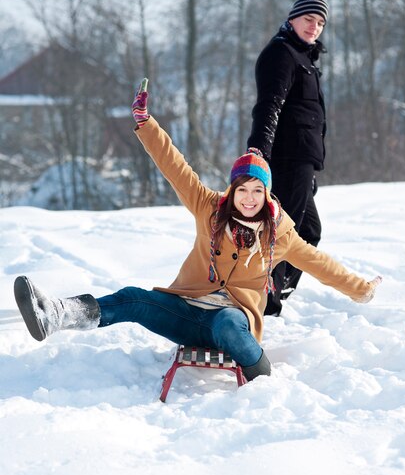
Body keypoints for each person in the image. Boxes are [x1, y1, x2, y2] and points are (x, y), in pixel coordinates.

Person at [13, 80, 382, 384]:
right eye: (243, 190)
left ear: (266, 194)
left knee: (227, 323)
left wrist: (361, 289)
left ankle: (261, 375)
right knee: (133, 298)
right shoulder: (209, 208)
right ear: (232, 190)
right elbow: (176, 167)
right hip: (187, 313)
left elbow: (320, 264)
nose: (249, 198)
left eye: (257, 191)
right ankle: (58, 314)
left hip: (232, 320)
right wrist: (145, 122)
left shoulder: (279, 233)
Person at [247, 0, 329, 316]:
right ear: (293, 18)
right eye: (309, 19)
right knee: (282, 235)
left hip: (303, 160)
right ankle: (264, 306)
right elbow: (269, 106)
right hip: (287, 157)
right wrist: (258, 155)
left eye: (320, 22)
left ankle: (276, 291)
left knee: (308, 232)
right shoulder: (280, 54)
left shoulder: (303, 57)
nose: (314, 27)